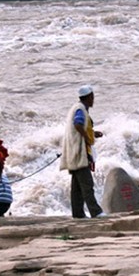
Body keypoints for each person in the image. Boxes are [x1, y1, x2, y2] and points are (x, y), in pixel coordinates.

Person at [59, 85, 104, 219]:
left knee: (77, 187)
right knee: (87, 184)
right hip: (80, 153)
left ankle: (78, 214)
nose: (93, 100)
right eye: (92, 97)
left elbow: (80, 127)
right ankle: (96, 212)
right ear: (89, 97)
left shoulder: (77, 108)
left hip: (74, 153)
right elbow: (78, 125)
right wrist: (87, 138)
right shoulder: (80, 109)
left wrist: (92, 133)